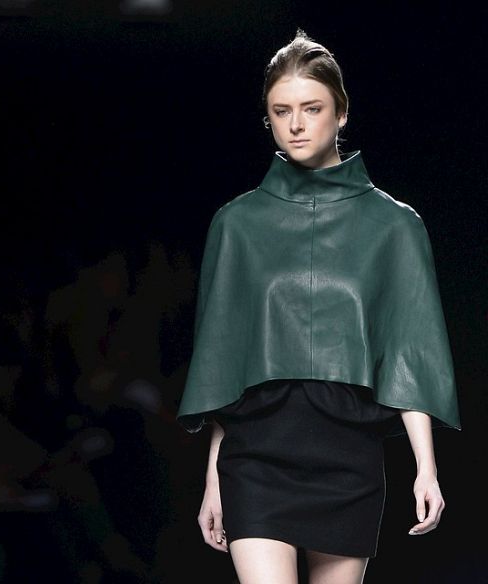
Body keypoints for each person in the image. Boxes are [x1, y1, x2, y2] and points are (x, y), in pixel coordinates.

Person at [175, 29, 461, 583]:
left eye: (312, 108)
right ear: (267, 118)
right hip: (256, 460)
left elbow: (410, 347)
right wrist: (213, 478)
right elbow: (224, 364)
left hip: (348, 459)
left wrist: (426, 468)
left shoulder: (395, 226)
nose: (297, 125)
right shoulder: (236, 225)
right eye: (281, 111)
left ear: (342, 112)